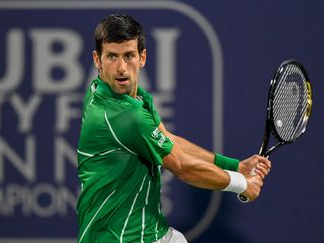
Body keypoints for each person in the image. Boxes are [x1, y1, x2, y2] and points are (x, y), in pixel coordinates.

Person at [76, 14, 271, 243]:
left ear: (143, 57)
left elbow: (168, 140)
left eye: (129, 56)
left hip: (151, 234)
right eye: (112, 57)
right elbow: (182, 167)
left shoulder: (111, 93)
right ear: (97, 60)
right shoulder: (126, 117)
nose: (121, 68)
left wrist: (236, 166)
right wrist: (242, 184)